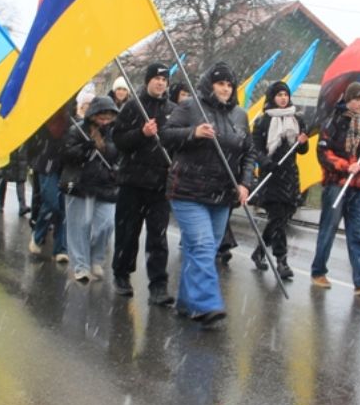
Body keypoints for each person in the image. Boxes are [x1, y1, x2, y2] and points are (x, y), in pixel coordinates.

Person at [161, 62, 255, 328]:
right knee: (202, 246)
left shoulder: (240, 115)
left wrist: (245, 183)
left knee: (202, 250)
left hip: (222, 195)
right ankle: (207, 304)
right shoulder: (191, 107)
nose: (225, 89)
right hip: (188, 191)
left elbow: (249, 152)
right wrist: (193, 133)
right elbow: (166, 135)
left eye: (229, 85)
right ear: (209, 85)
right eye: (220, 84)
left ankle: (185, 301)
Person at [111, 63, 176, 306]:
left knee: (158, 237)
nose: (160, 83)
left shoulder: (173, 110)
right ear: (148, 80)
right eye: (156, 78)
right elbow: (118, 140)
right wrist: (141, 134)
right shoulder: (132, 106)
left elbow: (177, 141)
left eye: (164, 79)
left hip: (160, 184)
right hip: (133, 182)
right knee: (128, 233)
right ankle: (122, 274)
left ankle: (158, 285)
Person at [309, 82, 360, 294]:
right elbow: (323, 153)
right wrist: (346, 166)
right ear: (347, 100)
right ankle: (318, 271)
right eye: (356, 99)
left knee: (359, 233)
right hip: (336, 184)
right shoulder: (332, 123)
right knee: (328, 228)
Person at [250, 81, 309, 281]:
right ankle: (282, 261)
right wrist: (266, 162)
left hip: (290, 175)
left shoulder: (297, 119)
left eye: (286, 94)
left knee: (281, 219)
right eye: (279, 95)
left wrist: (303, 143)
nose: (283, 98)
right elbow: (256, 149)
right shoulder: (263, 121)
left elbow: (302, 150)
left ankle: (259, 251)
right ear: (272, 97)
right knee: (277, 219)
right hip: (271, 176)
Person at [62, 96, 121, 282]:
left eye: (109, 116)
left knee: (106, 224)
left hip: (106, 185)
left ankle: (96, 258)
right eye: (101, 115)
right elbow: (66, 154)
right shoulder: (78, 130)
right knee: (79, 227)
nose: (105, 119)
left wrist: (117, 168)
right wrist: (84, 149)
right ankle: (80, 266)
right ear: (93, 114)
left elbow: (121, 155)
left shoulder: (116, 133)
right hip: (80, 185)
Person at [28, 107, 72, 264]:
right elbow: (32, 144)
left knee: (63, 207)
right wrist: (33, 161)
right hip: (46, 165)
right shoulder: (42, 117)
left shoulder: (70, 118)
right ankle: (37, 236)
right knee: (52, 203)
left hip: (65, 166)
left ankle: (61, 249)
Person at [0, 146, 30, 215]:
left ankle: (22, 205)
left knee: (20, 179)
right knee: (4, 177)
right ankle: (0, 204)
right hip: (7, 150)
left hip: (20, 151)